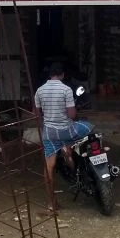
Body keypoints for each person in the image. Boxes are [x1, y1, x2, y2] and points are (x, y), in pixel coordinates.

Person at [34, 62, 92, 211]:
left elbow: (37, 114)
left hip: (49, 133)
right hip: (67, 130)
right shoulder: (66, 89)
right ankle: (68, 148)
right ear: (62, 75)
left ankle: (51, 203)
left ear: (49, 75)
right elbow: (72, 115)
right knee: (88, 126)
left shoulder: (39, 90)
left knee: (49, 167)